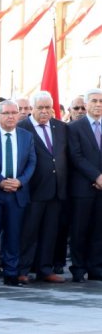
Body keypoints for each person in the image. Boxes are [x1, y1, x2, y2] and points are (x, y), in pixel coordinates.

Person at [0, 100, 36, 288]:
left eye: (15, 112)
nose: (11, 116)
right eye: (6, 113)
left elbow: (31, 163)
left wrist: (20, 181)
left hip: (17, 193)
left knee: (13, 235)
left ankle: (11, 273)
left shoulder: (26, 136)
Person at [17, 91, 67, 284]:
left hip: (56, 190)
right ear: (32, 108)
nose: (45, 111)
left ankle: (44, 269)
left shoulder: (61, 127)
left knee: (50, 231)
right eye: (41, 108)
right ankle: (23, 268)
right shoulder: (23, 127)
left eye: (48, 108)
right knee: (29, 232)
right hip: (33, 190)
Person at [67, 88, 102, 282]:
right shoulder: (75, 127)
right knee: (79, 230)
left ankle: (96, 268)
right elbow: (76, 156)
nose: (98, 104)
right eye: (94, 101)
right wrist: (96, 177)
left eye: (101, 101)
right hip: (82, 187)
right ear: (87, 104)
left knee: (99, 230)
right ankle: (78, 269)